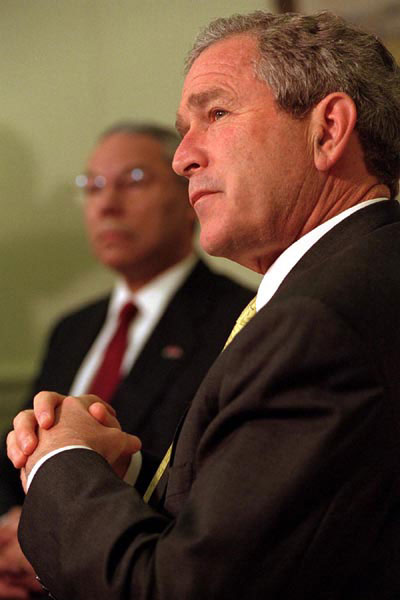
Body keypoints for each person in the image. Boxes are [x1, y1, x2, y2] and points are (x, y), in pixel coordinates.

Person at [7, 10, 400, 599]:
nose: (182, 157)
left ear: (328, 130)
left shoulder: (317, 323)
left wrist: (58, 465)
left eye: (215, 113)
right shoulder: (349, 283)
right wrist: (120, 480)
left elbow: (179, 590)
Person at [0, 122, 252, 598]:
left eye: (133, 180)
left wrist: (41, 551)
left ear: (187, 196)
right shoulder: (72, 328)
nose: (106, 203)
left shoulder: (239, 320)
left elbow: (195, 488)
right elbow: (17, 450)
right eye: (92, 186)